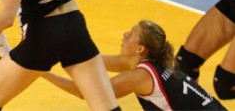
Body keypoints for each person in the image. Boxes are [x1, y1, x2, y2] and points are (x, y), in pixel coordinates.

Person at [41, 20, 226, 110]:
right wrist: (60, 46)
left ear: (140, 49)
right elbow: (89, 60)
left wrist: (41, 71)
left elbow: (85, 92)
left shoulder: (139, 77)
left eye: (131, 34)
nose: (124, 34)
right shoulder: (144, 63)